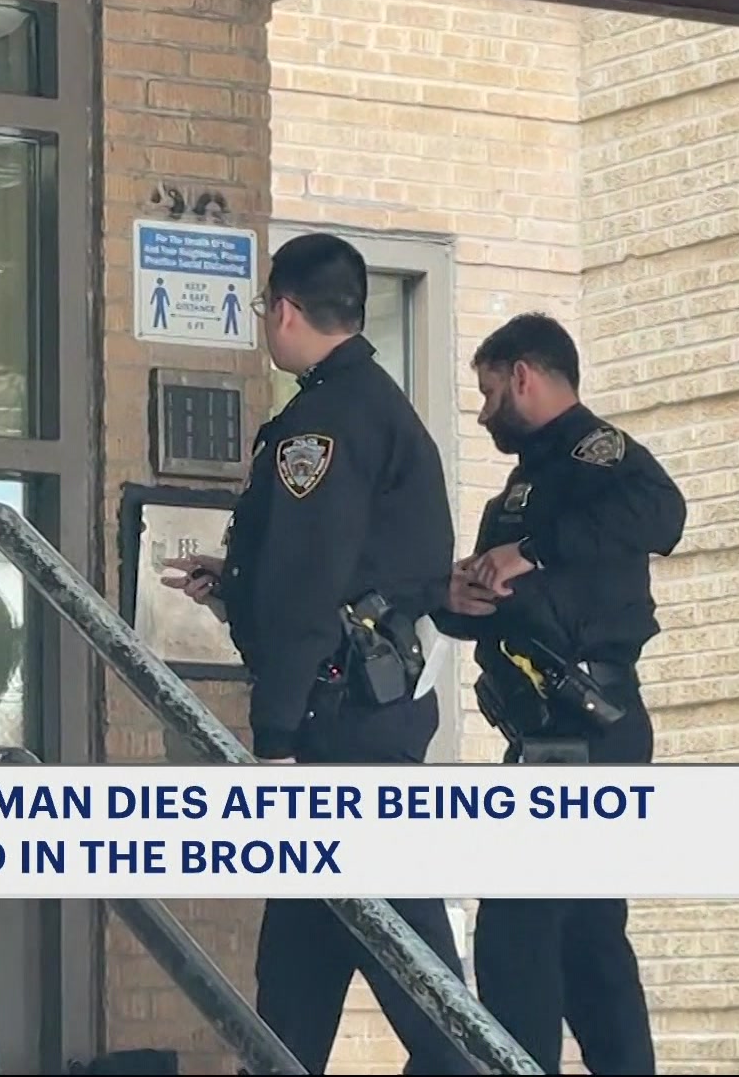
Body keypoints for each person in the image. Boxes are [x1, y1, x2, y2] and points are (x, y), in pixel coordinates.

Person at [159, 232, 474, 1076]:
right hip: (357, 724)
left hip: (337, 742)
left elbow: (309, 584)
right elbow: (347, 571)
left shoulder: (324, 423)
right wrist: (237, 584)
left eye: (264, 307)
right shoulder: (374, 406)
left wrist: (275, 738)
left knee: (437, 1016)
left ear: (286, 311)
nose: (266, 321)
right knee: (292, 1008)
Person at [432, 312, 687, 1076]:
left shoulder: (596, 453)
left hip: (590, 724)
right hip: (543, 735)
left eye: (488, 393)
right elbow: (500, 599)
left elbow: (664, 514)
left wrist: (533, 551)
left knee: (518, 932)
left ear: (524, 377)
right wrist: (455, 596)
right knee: (585, 941)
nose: (483, 414)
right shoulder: (522, 487)